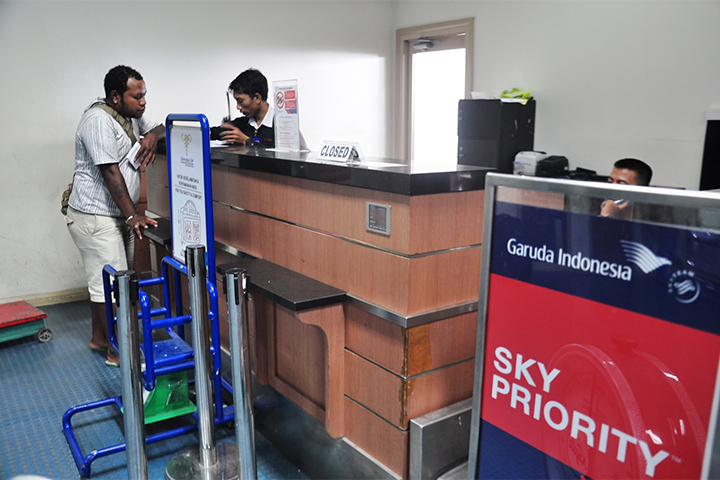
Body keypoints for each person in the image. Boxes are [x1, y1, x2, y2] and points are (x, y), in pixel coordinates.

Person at [66, 65, 165, 366]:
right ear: (115, 96)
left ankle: (101, 338)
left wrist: (152, 137)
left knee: (109, 281)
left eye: (144, 95)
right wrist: (133, 216)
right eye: (137, 97)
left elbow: (161, 127)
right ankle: (117, 351)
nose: (143, 102)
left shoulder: (130, 115)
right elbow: (110, 172)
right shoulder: (97, 121)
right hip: (96, 216)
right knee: (113, 285)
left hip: (116, 215)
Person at [211, 68, 275, 147]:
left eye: (241, 101)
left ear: (257, 98)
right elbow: (215, 132)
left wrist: (247, 141)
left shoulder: (282, 125)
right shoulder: (242, 124)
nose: (238, 107)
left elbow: (281, 153)